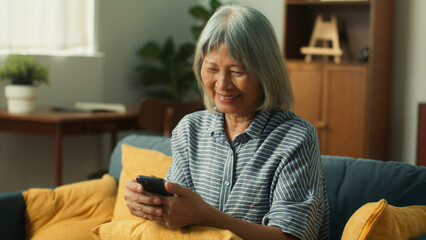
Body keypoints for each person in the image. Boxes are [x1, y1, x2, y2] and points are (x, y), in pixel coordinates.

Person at [125, 4, 329, 240]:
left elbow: (290, 237)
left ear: (266, 73)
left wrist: (207, 216)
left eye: (237, 72)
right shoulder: (189, 130)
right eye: (212, 68)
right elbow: (180, 218)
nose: (222, 84)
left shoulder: (296, 137)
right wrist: (152, 205)